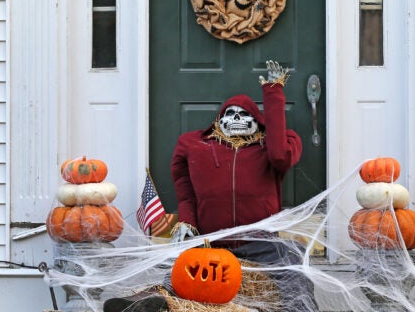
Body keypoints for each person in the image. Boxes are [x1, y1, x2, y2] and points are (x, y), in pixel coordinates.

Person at [104, 61, 317, 312]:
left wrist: (273, 91)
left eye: (243, 114)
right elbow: (186, 195)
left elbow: (281, 155)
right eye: (230, 114)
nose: (236, 118)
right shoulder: (195, 146)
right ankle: (145, 303)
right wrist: (187, 224)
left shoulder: (270, 146)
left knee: (293, 260)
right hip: (211, 243)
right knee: (180, 268)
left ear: (257, 121)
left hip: (260, 243)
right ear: (218, 121)